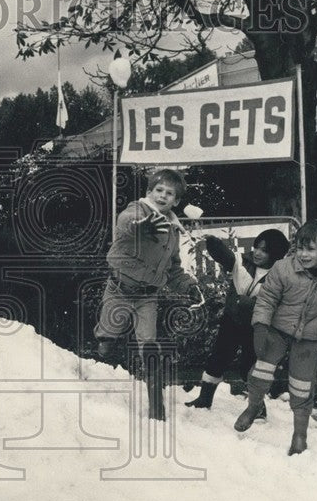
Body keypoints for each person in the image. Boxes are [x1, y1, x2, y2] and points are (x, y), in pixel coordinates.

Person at [233, 219, 317, 455]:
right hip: (277, 331)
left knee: (302, 385)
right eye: (299, 247)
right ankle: (255, 406)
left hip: (309, 338)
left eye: (310, 249)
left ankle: (300, 434)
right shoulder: (282, 268)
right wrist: (260, 326)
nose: (303, 254)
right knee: (259, 373)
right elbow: (267, 299)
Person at [94, 168, 202, 420]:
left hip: (147, 297)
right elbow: (125, 223)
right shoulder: (138, 210)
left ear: (176, 201)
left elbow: (173, 268)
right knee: (108, 339)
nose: (163, 196)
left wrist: (187, 285)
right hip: (119, 290)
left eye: (169, 193)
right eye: (158, 190)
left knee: (149, 346)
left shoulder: (173, 232)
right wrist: (142, 225)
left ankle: (157, 407)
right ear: (149, 192)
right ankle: (105, 340)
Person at [185, 228, 290, 409]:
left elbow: (277, 304)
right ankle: (204, 398)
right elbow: (223, 255)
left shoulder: (280, 276)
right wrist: (212, 241)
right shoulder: (241, 262)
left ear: (276, 254)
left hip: (257, 328)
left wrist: (251, 304)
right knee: (218, 358)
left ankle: (257, 408)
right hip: (231, 321)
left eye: (264, 250)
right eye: (256, 247)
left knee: (249, 367)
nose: (257, 252)